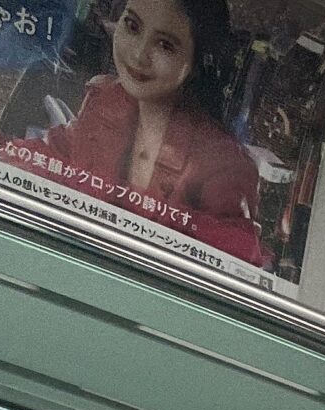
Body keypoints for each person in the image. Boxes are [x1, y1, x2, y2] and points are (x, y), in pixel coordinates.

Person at [27, 0, 262, 267]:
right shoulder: (105, 99)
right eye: (132, 25)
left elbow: (239, 256)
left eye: (165, 45)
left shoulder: (224, 162)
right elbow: (60, 151)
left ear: (196, 61)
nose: (139, 55)